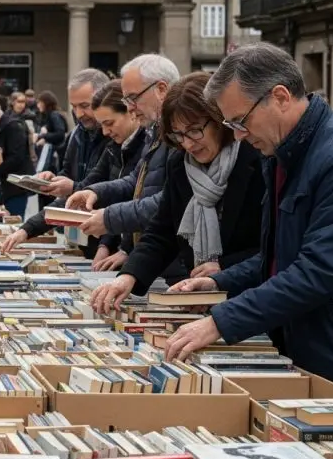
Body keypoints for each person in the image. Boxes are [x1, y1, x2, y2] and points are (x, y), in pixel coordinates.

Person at [160, 42, 333, 396]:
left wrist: (220, 322)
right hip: (301, 344)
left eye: (240, 121)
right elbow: (280, 256)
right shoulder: (280, 151)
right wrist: (219, 282)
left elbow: (318, 269)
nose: (238, 135)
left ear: (280, 97)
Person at [87, 72, 264, 313]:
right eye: (178, 135)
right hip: (200, 298)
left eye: (194, 130)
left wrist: (223, 268)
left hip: (251, 298)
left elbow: (272, 247)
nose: (188, 143)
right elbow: (163, 230)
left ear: (218, 119)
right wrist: (128, 276)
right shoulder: (180, 163)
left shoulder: (256, 159)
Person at [66, 54, 183, 278]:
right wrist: (95, 192)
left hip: (174, 263)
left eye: (133, 98)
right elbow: (135, 182)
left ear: (161, 89)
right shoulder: (156, 132)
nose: (130, 108)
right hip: (159, 260)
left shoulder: (176, 135)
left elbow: (170, 202)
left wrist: (110, 220)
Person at [2, 80, 145, 256]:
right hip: (102, 242)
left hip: (124, 247)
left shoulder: (136, 145)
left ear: (131, 112)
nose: (78, 113)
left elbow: (137, 204)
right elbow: (88, 188)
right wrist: (28, 229)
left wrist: (118, 249)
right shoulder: (108, 144)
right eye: (74, 106)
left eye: (84, 106)